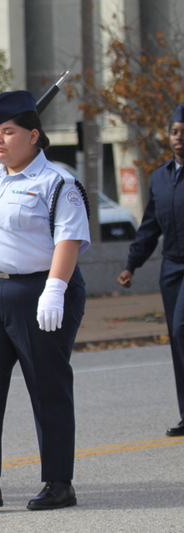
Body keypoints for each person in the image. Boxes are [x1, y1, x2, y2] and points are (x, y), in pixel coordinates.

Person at [0, 91, 90, 511]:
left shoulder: (57, 182)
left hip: (40, 291)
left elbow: (69, 237)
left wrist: (56, 288)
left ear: (33, 136)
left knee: (48, 387)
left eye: (8, 132)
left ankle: (59, 481)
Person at [117, 103, 184, 438]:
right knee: (176, 337)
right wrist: (131, 265)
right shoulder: (160, 177)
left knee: (183, 328)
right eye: (175, 132)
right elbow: (150, 226)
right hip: (171, 267)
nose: (179, 139)